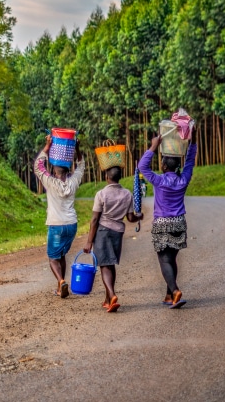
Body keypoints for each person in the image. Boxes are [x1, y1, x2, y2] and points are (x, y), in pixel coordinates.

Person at [138, 132, 197, 308]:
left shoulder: (159, 180)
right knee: (171, 259)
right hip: (179, 223)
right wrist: (193, 142)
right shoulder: (183, 179)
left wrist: (154, 146)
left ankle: (175, 290)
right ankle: (169, 295)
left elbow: (142, 166)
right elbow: (190, 161)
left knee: (164, 260)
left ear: (163, 167)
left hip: (162, 224)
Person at [83, 166, 143, 312]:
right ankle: (108, 300)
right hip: (118, 232)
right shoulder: (127, 194)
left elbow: (95, 220)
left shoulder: (101, 194)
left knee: (104, 265)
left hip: (103, 232)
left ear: (106, 177)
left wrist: (89, 241)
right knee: (111, 264)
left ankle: (112, 294)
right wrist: (139, 216)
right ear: (119, 177)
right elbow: (130, 217)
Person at [34, 135, 85, 298]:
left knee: (53, 257)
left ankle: (61, 281)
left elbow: (38, 166)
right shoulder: (74, 181)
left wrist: (47, 146)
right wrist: (77, 148)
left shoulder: (50, 182)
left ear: (54, 169)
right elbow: (81, 165)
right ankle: (59, 285)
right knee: (62, 254)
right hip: (71, 224)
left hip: (56, 225)